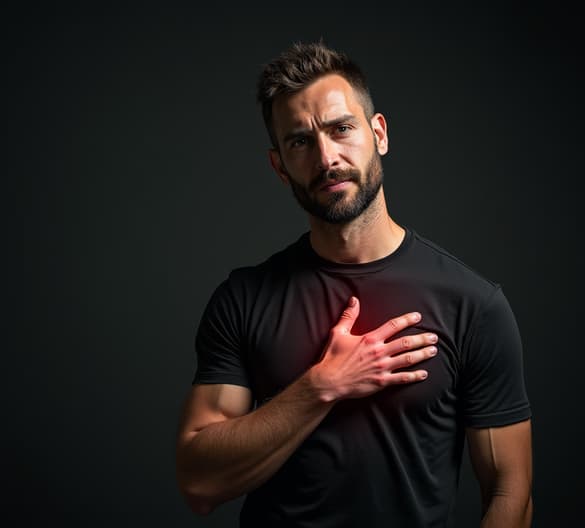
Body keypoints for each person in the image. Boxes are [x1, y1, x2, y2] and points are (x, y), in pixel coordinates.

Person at [176, 41, 533, 527]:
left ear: (379, 133)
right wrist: (322, 387)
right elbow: (199, 483)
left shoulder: (473, 304)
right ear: (280, 166)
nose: (327, 158)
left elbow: (511, 492)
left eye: (341, 129)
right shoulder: (244, 299)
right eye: (300, 141)